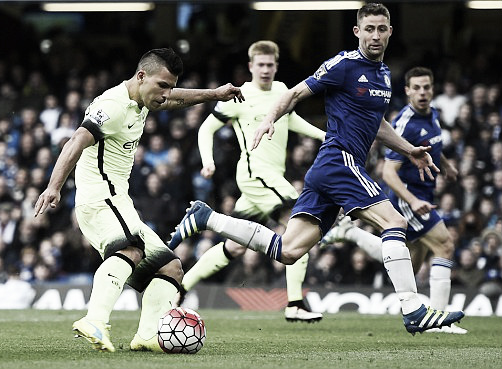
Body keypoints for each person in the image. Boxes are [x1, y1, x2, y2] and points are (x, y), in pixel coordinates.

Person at [168, 3, 465, 335]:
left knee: (289, 251)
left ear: (390, 32)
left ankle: (207, 218)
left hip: (330, 170)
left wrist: (410, 150)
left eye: (382, 29)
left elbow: (377, 124)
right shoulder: (344, 64)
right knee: (394, 221)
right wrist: (269, 120)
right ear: (357, 31)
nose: (375, 35)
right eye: (369, 29)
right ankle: (412, 308)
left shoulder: (383, 76)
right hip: (340, 161)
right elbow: (295, 93)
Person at [34, 48, 243, 353]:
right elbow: (77, 139)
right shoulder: (113, 105)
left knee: (170, 267)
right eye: (162, 85)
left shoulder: (143, 98)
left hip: (118, 199)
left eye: (170, 85)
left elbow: (175, 98)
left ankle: (147, 335)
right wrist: (54, 187)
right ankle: (94, 319)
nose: (166, 93)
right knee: (131, 248)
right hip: (99, 197)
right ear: (141, 76)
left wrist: (214, 94)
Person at [172, 40, 324, 323]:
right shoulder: (240, 96)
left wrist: (324, 136)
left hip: (269, 179)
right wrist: (208, 160)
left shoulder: (282, 91)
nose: (266, 70)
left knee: (235, 245)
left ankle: (180, 288)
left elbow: (291, 121)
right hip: (256, 175)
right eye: (261, 65)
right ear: (251, 66)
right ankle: (294, 303)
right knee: (299, 223)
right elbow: (207, 128)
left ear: (276, 66)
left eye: (270, 65)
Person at [322, 67, 467, 333]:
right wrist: (412, 201)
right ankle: (440, 321)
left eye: (427, 87)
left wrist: (445, 164)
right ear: (408, 91)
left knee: (408, 260)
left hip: (424, 196)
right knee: (445, 244)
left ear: (432, 89)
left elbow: (432, 146)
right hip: (408, 199)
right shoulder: (404, 123)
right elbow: (388, 173)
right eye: (417, 88)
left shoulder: (433, 114)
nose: (423, 92)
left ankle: (352, 233)